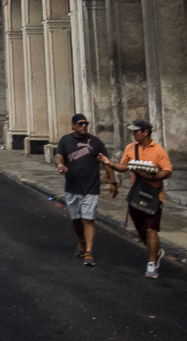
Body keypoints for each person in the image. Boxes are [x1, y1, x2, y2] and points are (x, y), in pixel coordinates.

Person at [99, 118, 172, 278]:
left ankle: (152, 264)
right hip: (136, 194)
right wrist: (109, 163)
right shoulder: (131, 148)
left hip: (154, 196)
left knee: (151, 229)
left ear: (145, 132)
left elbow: (167, 171)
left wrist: (152, 177)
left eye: (136, 131)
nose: (133, 133)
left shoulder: (158, 150)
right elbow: (124, 166)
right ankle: (155, 251)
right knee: (141, 230)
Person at [54, 113, 118, 266]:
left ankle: (89, 251)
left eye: (86, 123)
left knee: (88, 219)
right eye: (80, 123)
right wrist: (60, 165)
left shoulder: (95, 142)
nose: (84, 126)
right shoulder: (65, 140)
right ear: (73, 125)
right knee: (76, 220)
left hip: (91, 187)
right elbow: (58, 156)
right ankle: (81, 241)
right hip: (72, 187)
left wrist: (113, 182)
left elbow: (106, 163)